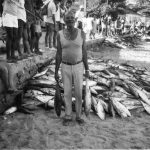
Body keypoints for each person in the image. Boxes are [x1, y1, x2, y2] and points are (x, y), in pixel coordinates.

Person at [55, 11, 89, 126]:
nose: (69, 20)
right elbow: (58, 53)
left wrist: (87, 69)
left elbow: (84, 52)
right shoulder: (59, 34)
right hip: (65, 66)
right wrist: (56, 70)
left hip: (79, 66)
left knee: (79, 93)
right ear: (64, 20)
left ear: (74, 19)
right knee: (67, 93)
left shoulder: (82, 33)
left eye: (71, 18)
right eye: (67, 18)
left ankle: (79, 116)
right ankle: (68, 115)